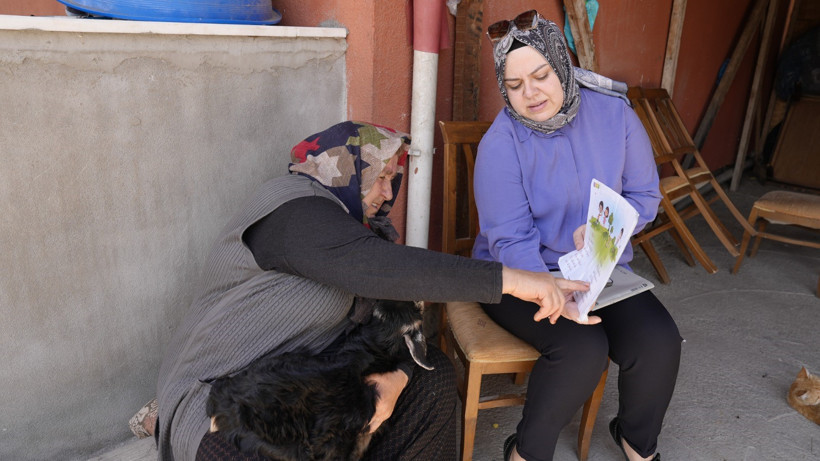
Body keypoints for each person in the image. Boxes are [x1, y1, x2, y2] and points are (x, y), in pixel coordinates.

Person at [155, 120, 590, 461]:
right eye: (380, 176)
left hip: (310, 387)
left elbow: (400, 328)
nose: (388, 193)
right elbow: (374, 269)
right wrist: (514, 279)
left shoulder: (364, 231)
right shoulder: (292, 207)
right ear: (344, 167)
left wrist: (397, 381)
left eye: (392, 179)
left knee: (431, 377)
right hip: (223, 400)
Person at [472, 10, 682, 461]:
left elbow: (645, 194)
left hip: (597, 267)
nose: (530, 94)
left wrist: (608, 231)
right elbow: (508, 238)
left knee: (658, 341)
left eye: (541, 75)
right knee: (582, 348)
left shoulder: (614, 114)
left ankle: (636, 440)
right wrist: (550, 293)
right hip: (517, 274)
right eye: (514, 85)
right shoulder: (501, 143)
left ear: (562, 65)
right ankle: (525, 452)